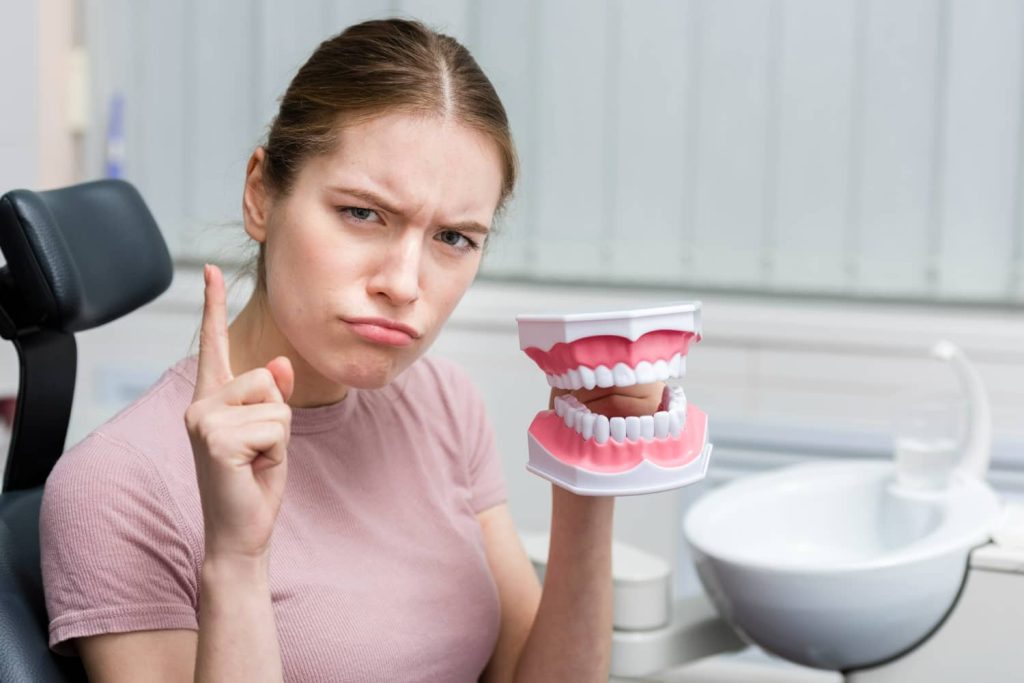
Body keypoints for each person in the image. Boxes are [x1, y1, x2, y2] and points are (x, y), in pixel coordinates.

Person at [40, 18, 664, 682]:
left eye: (453, 237)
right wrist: (238, 560)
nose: (402, 284)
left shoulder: (444, 404)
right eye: (362, 213)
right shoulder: (118, 485)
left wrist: (589, 477)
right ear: (261, 195)